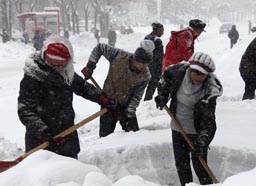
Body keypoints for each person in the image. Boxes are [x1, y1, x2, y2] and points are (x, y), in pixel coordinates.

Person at [17, 35, 115, 159]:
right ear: (45, 56)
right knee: (45, 175)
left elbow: (82, 87)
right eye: (52, 63)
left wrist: (101, 98)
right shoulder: (33, 78)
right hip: (41, 141)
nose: (55, 67)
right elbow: (25, 110)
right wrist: (42, 132)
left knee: (70, 171)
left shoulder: (66, 73)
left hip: (66, 133)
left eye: (60, 64)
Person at [155, 52, 223, 186]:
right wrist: (162, 95)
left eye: (202, 75)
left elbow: (209, 121)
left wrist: (202, 141)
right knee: (182, 165)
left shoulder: (209, 91)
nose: (197, 77)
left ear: (207, 75)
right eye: (195, 73)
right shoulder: (178, 73)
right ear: (190, 69)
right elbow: (165, 80)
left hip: (196, 132)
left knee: (201, 167)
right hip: (177, 127)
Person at [81, 40, 155, 137]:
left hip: (124, 107)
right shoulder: (118, 56)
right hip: (106, 101)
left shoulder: (145, 76)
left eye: (147, 64)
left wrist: (127, 113)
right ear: (136, 59)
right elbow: (100, 47)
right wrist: (91, 65)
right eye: (143, 63)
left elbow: (137, 96)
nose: (145, 66)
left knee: (134, 137)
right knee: (105, 138)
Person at [143, 22, 164, 101]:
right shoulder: (157, 40)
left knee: (145, 84)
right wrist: (159, 69)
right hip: (155, 67)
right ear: (156, 30)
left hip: (146, 65)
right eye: (161, 30)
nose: (162, 32)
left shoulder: (147, 37)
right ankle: (148, 99)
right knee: (153, 84)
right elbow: (159, 56)